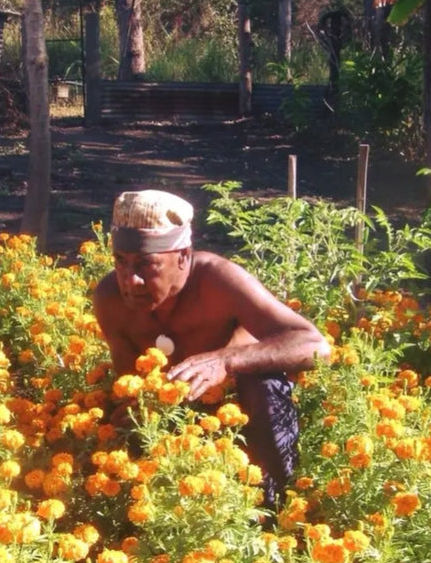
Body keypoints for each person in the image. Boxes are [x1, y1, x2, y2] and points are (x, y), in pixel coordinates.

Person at [92, 189, 331, 508]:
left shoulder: (217, 280)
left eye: (146, 264)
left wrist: (226, 360)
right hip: (179, 425)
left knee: (263, 384)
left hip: (242, 420)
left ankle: (281, 503)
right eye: (121, 262)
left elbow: (315, 345)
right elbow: (129, 388)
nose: (130, 280)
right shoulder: (110, 299)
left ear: (183, 256)